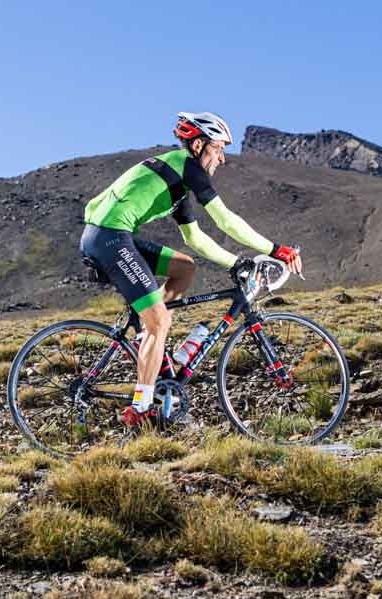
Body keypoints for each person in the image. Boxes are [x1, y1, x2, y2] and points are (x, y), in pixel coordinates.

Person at [80, 111, 303, 427]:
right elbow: (225, 220)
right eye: (218, 148)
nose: (222, 159)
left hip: (110, 235)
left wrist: (236, 262)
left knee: (184, 268)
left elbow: (195, 238)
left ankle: (154, 346)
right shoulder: (186, 166)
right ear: (198, 145)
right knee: (158, 322)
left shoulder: (177, 177)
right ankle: (141, 408)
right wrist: (275, 250)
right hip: (109, 238)